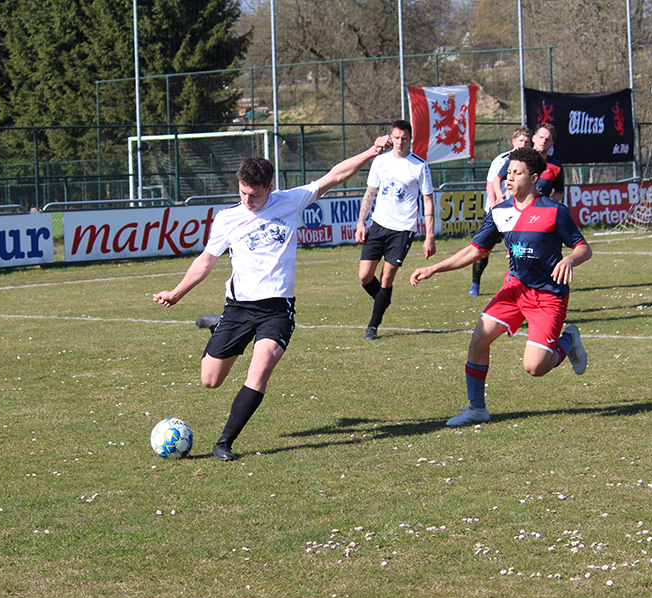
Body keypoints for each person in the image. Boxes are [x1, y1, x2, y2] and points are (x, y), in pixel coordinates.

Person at [153, 135, 393, 461]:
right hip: (237, 308)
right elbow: (206, 261)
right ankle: (218, 326)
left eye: (254, 194)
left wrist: (372, 151)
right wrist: (177, 292)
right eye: (242, 193)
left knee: (261, 369)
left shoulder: (290, 201)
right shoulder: (227, 218)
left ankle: (224, 443)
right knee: (210, 381)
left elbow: (335, 175)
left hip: (276, 309)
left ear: (269, 188)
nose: (247, 200)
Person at [410, 146, 592, 427]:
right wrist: (434, 268)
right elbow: (474, 251)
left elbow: (584, 249)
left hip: (547, 295)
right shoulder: (499, 212)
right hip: (515, 288)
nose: (509, 179)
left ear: (534, 178)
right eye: (508, 173)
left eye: (517, 173)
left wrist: (570, 259)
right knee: (479, 338)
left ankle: (568, 341)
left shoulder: (555, 212)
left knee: (534, 367)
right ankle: (477, 409)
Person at [355, 120, 436, 340]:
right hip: (378, 225)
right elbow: (370, 192)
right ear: (391, 138)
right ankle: (384, 299)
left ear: (410, 139)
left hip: (402, 230)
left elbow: (428, 201)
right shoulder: (380, 161)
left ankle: (373, 326)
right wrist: (361, 221)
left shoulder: (419, 166)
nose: (400, 142)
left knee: (386, 277)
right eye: (396, 137)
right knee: (364, 276)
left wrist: (430, 236)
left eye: (404, 138)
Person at [471, 126, 532, 297]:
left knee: (520, 249)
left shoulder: (531, 162)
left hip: (519, 212)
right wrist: (495, 206)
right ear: (513, 142)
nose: (524, 144)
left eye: (527, 141)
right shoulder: (502, 160)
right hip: (497, 210)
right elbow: (491, 184)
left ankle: (518, 284)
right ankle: (475, 282)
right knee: (483, 250)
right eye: (521, 140)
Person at [499, 123, 565, 202]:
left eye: (547, 139)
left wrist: (546, 203)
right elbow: (498, 179)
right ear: (533, 138)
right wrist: (499, 195)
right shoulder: (520, 157)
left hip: (539, 212)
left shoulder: (556, 166)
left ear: (552, 144)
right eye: (541, 137)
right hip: (517, 208)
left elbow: (559, 193)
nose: (543, 141)